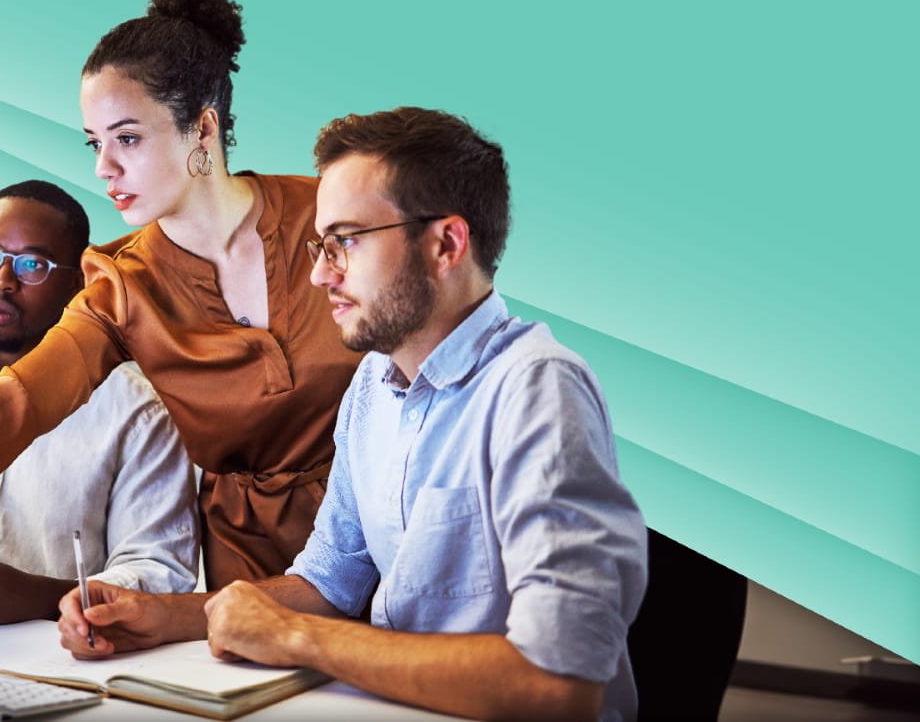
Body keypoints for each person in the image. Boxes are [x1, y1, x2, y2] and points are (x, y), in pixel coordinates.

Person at [57, 109, 648, 722]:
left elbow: (561, 685)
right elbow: (329, 580)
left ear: (446, 244)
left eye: (346, 241)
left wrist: (296, 638)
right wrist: (163, 616)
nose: (320, 274)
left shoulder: (537, 388)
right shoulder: (373, 383)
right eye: (321, 244)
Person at [0, 0, 363, 587]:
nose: (104, 167)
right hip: (251, 564)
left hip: (390, 524)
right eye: (95, 143)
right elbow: (9, 404)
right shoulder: (120, 285)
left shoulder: (331, 213)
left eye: (127, 138)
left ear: (202, 129)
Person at [0, 180, 198, 625]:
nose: (1, 280)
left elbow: (161, 573)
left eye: (32, 264)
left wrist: (41, 597)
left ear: (77, 283)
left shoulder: (138, 414)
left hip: (60, 650)